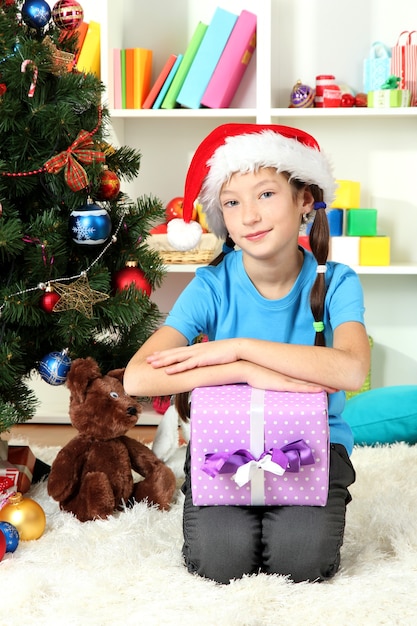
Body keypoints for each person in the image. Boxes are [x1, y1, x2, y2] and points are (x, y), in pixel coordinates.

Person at [124, 123, 370, 584]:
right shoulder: (212, 285)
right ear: (223, 217)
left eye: (265, 195)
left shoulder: (335, 281)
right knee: (220, 563)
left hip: (311, 446)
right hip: (226, 445)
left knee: (301, 563)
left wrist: (239, 351)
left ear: (304, 201)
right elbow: (138, 378)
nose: (250, 216)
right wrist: (244, 373)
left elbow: (352, 370)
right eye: (233, 202)